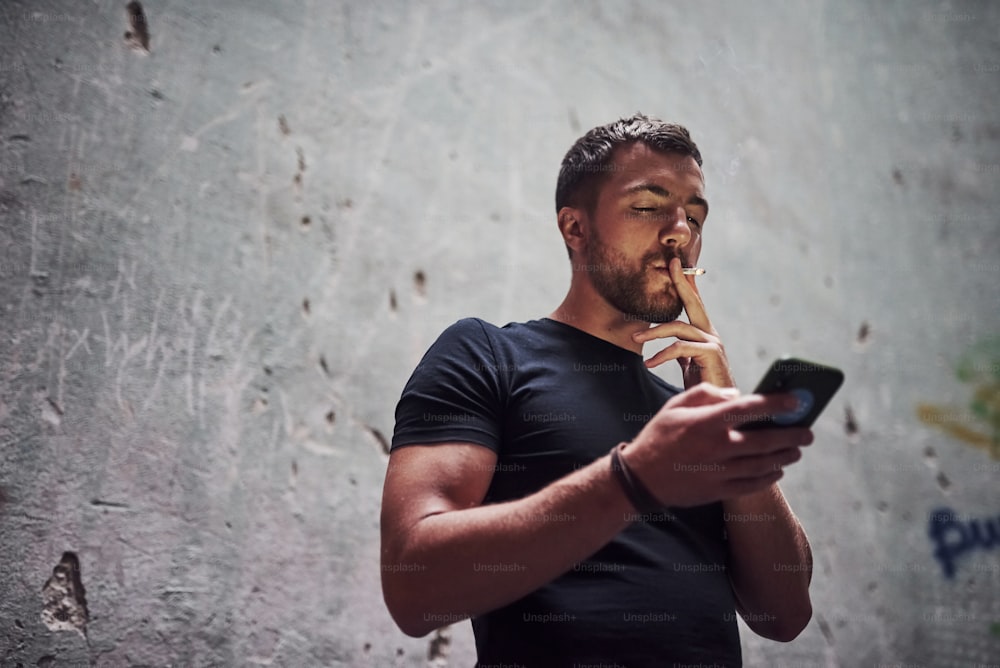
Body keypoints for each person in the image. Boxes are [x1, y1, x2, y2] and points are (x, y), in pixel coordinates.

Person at [380, 113, 814, 667]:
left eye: (695, 217)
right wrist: (634, 477)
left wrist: (733, 422)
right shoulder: (487, 356)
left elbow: (784, 615)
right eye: (647, 206)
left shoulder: (693, 418)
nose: (680, 231)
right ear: (575, 227)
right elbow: (413, 587)